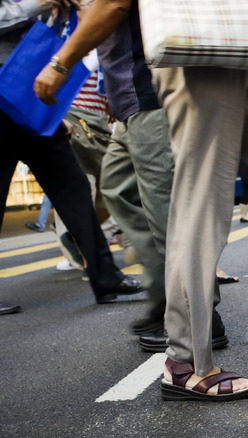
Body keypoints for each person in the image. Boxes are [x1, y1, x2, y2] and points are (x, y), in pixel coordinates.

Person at [33, 0, 229, 351]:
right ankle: (166, 300)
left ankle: (197, 317)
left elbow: (113, 4)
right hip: (134, 95)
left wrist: (60, 63)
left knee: (167, 206)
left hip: (154, 91)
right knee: (118, 188)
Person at [2, 0, 142, 309]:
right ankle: (105, 276)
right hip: (4, 93)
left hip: (28, 96)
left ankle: (105, 277)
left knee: (73, 186)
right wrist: (35, 5)